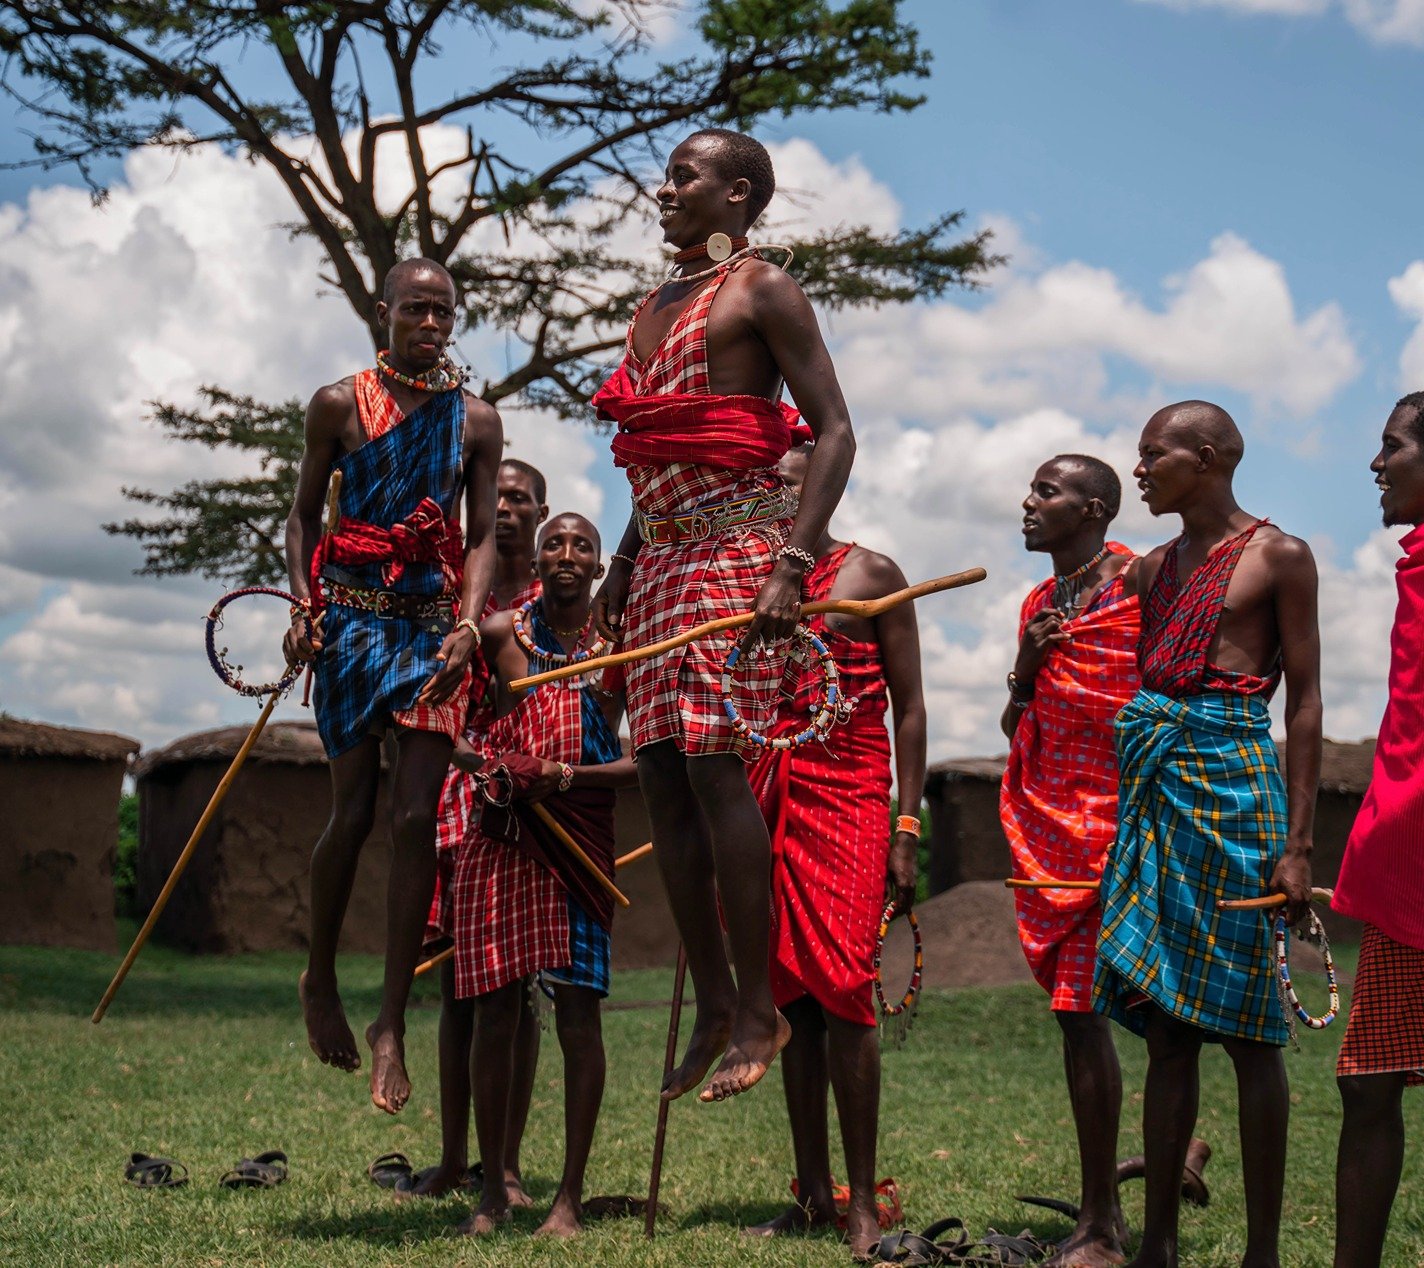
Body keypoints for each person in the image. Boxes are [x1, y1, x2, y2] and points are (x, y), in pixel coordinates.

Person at [591, 127, 856, 1104]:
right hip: (660, 558)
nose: (663, 190)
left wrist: (793, 561)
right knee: (658, 777)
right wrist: (621, 563)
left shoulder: (762, 290)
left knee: (713, 767)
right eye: (665, 176)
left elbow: (834, 429)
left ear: (737, 194)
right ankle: (710, 1001)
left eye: (684, 176)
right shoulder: (649, 304)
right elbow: (659, 449)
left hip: (740, 552)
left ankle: (758, 1007)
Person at [1094, 401, 1321, 1268]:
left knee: (1255, 1033)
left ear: (1210, 455)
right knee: (1167, 1031)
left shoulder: (1280, 556)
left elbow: (1302, 702)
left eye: (1153, 455)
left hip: (1237, 790)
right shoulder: (1153, 570)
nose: (1140, 470)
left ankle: (1261, 1253)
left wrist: (1298, 845)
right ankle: (1156, 1246)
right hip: (1159, 792)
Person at [283, 257, 501, 1114]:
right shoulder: (338, 404)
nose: (432, 324)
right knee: (355, 813)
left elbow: (481, 534)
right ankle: (320, 975)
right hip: (350, 622)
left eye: (443, 312)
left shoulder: (474, 420)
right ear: (385, 312)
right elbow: (303, 513)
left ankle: (389, 1023)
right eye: (416, 309)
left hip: (430, 630)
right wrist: (305, 604)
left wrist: (469, 622)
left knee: (417, 817)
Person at [744, 439, 924, 1260]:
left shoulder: (874, 575)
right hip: (765, 790)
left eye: (792, 486)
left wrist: (907, 825)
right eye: (769, 487)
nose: (780, 499)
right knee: (791, 995)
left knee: (846, 985)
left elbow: (912, 709)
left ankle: (859, 1198)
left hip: (849, 794)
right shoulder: (736, 583)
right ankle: (812, 1193)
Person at [453, 513, 638, 1237]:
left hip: (579, 842)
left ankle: (568, 1198)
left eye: (582, 547)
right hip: (504, 836)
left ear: (597, 568)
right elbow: (455, 720)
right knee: (495, 1011)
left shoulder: (619, 648)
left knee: (577, 1013)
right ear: (536, 559)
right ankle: (495, 1189)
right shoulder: (498, 634)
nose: (567, 554)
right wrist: (482, 761)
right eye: (554, 544)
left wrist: (563, 777)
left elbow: (641, 764)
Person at [999, 454, 1139, 1268]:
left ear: (1092, 509)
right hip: (1054, 826)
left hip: (1130, 823)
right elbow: (1017, 720)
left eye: (1046, 492)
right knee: (1076, 1012)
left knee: (1160, 1017)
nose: (1029, 502)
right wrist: (1028, 661)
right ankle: (1101, 1216)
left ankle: (1114, 1212)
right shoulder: (1040, 602)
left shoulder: (1138, 586)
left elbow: (1167, 696)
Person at [411, 458, 549, 1200]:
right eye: (493, 497)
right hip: (455, 797)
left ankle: (508, 1164)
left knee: (515, 984)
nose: (504, 509)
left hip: (526, 803)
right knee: (461, 989)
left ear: (542, 511)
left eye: (521, 498)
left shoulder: (556, 601)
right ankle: (453, 1157)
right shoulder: (451, 593)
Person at [1330, 391, 1424, 1268]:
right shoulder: (1416, 568)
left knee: (1370, 1084)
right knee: (1367, 1081)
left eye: (1391, 446)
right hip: (1406, 877)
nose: (1377, 463)